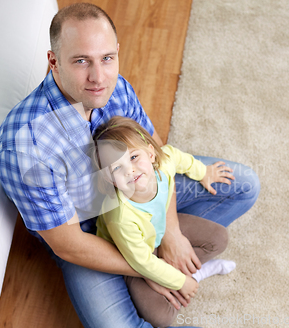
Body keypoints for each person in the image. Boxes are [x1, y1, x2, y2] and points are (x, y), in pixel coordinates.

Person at [0, 3, 260, 328]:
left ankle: (153, 248)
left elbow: (157, 158)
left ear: (117, 52)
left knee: (244, 186)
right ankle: (141, 274)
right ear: (53, 62)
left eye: (107, 58)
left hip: (138, 197)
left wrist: (172, 234)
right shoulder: (25, 146)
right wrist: (149, 269)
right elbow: (70, 244)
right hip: (88, 234)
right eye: (81, 61)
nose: (98, 77)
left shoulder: (115, 88)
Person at [92, 116, 237, 327]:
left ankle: (196, 273)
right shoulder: (121, 217)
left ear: (151, 153)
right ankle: (189, 276)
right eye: (117, 168)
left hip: (157, 234)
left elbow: (179, 158)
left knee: (219, 238)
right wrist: (179, 282)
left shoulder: (164, 163)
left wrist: (203, 171)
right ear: (109, 179)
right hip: (131, 256)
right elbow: (141, 262)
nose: (130, 171)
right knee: (161, 317)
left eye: (133, 157)